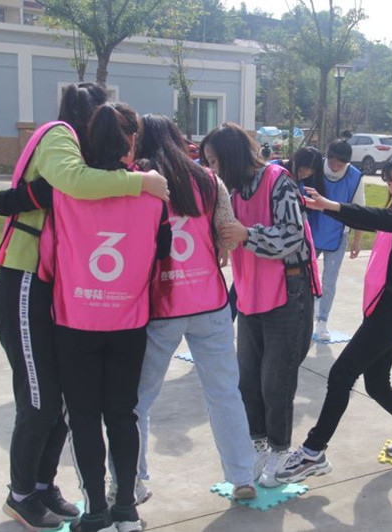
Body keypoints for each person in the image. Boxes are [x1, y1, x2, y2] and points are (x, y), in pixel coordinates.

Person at [0, 83, 168, 532]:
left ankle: (45, 485)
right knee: (42, 399)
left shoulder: (85, 182)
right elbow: (58, 188)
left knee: (67, 407)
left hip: (70, 305)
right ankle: (22, 493)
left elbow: (22, 202)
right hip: (29, 282)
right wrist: (141, 181)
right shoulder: (60, 140)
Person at [107, 114, 257, 502]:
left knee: (137, 401)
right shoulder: (209, 179)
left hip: (160, 305)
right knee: (225, 393)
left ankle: (130, 482)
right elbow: (228, 235)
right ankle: (242, 476)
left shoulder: (140, 179)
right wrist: (219, 249)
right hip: (210, 301)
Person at [277, 149, 392, 484]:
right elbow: (375, 219)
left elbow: (378, 218)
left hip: (391, 313)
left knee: (340, 375)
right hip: (385, 309)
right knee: (377, 385)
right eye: (388, 182)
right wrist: (329, 208)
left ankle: (313, 451)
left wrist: (332, 206)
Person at [47, 102, 171, 532]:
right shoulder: (153, 195)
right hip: (128, 322)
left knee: (83, 419)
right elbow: (163, 250)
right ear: (131, 141)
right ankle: (127, 510)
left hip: (75, 321)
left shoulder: (65, 192)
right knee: (123, 415)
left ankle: (96, 510)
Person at [206, 122, 321, 488]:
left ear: (231, 157)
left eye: (214, 161)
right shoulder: (231, 191)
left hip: (288, 292)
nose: (211, 169)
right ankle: (258, 444)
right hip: (251, 292)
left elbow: (292, 235)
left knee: (276, 381)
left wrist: (247, 235)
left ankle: (280, 451)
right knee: (248, 379)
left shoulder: (277, 180)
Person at [306, 139, 365, 341]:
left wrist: (357, 241)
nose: (335, 167)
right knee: (306, 278)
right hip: (311, 231)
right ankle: (306, 318)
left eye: (340, 164)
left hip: (339, 235)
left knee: (329, 281)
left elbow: (359, 211)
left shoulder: (355, 177)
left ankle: (322, 321)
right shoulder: (316, 167)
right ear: (327, 156)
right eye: (332, 163)